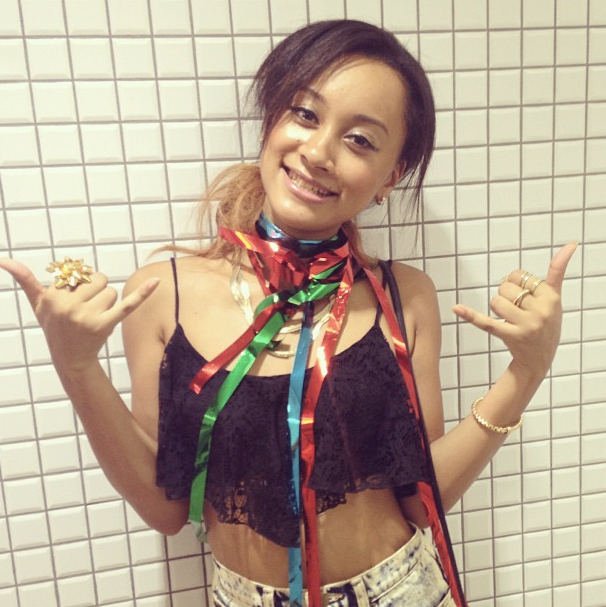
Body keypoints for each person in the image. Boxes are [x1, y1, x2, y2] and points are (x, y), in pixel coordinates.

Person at [0, 19, 576, 607]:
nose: (318, 152)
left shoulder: (404, 296)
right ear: (272, 120)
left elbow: (420, 500)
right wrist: (77, 367)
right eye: (305, 114)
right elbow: (165, 510)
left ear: (390, 178)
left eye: (360, 140)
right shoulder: (159, 293)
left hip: (400, 590)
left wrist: (526, 371)